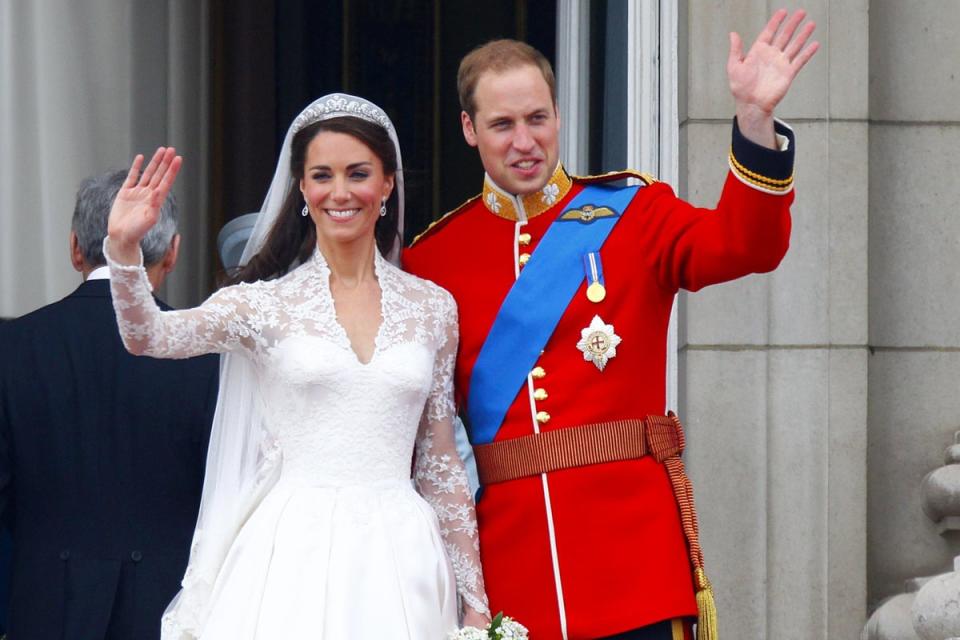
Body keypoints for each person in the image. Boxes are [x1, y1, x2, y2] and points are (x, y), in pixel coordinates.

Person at [402, 10, 819, 640]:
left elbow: (746, 245)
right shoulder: (432, 260)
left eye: (538, 119)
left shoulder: (635, 213)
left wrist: (755, 121)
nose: (525, 142)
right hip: (512, 579)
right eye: (502, 124)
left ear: (559, 116)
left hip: (635, 569)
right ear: (469, 129)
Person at [103, 94, 490, 639]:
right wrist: (123, 249)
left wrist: (475, 602)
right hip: (292, 550)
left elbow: (440, 458)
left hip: (403, 553)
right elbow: (149, 337)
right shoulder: (263, 304)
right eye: (321, 175)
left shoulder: (432, 308)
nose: (340, 192)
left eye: (358, 173)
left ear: (386, 185)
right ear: (303, 190)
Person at [0, 170, 219, 640]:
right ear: (174, 252)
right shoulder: (209, 358)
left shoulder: (11, 348)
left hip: (43, 608)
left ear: (75, 247)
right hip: (167, 610)